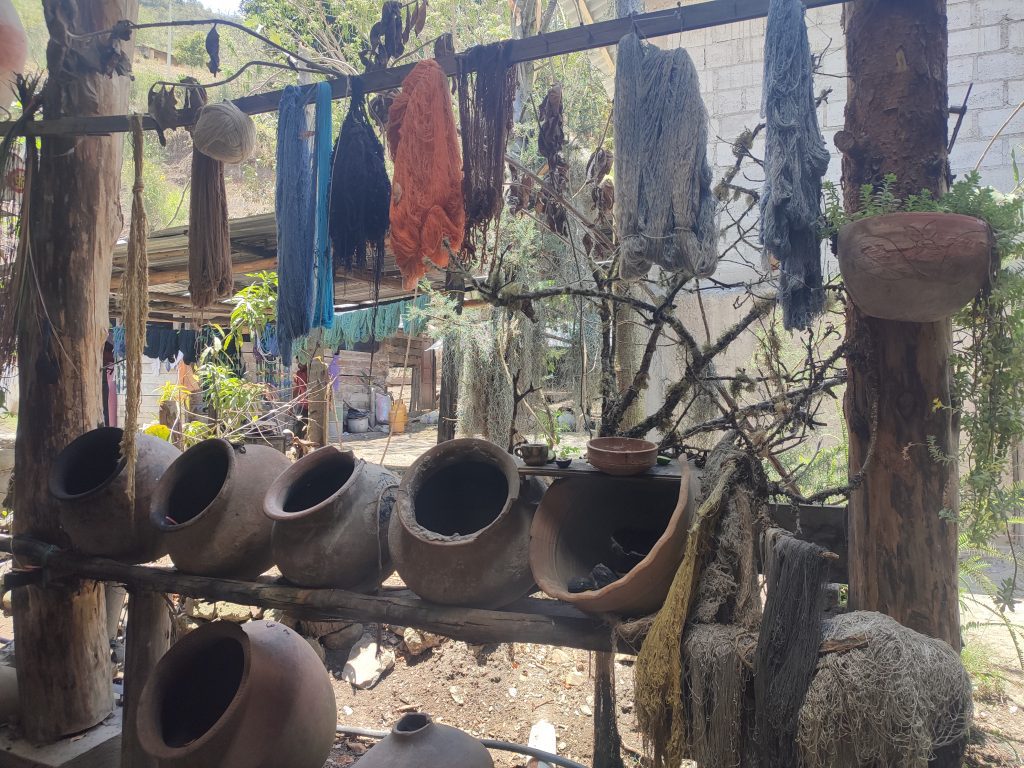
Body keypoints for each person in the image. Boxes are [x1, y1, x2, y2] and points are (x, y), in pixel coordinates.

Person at [292, 363, 309, 437]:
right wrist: (291, 405)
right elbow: (297, 388)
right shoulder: (299, 373)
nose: (299, 364)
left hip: (313, 405)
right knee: (298, 426)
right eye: (298, 362)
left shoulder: (311, 372)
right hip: (302, 405)